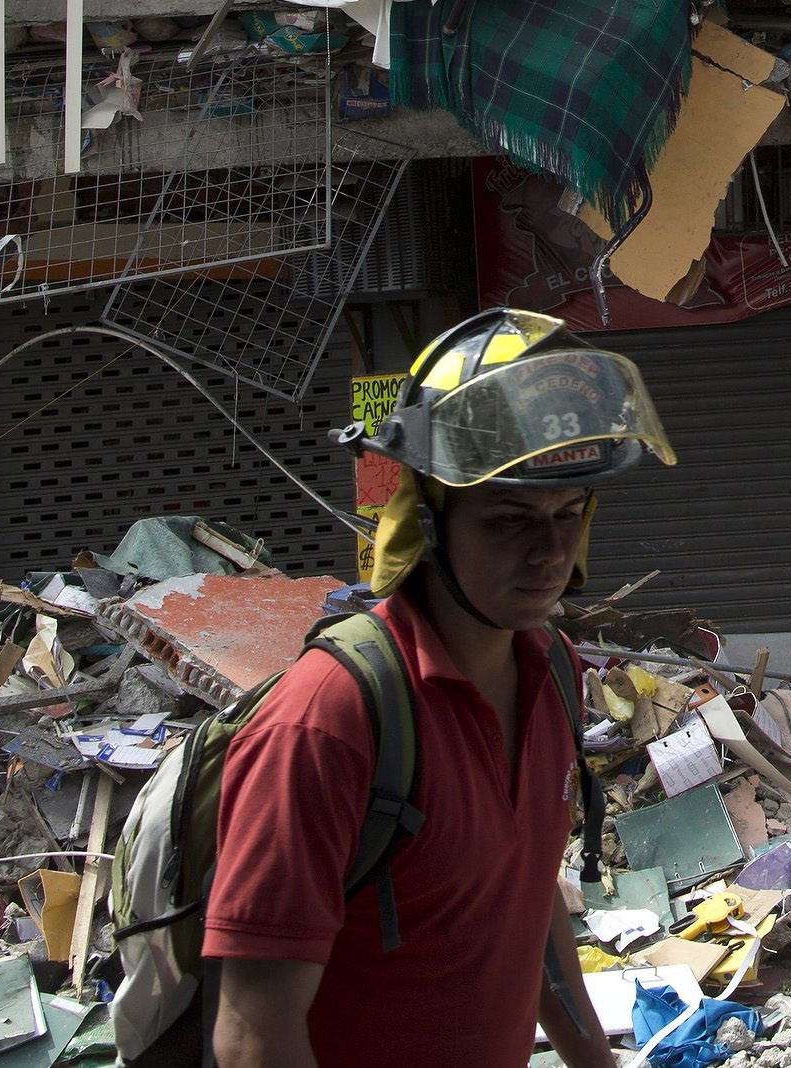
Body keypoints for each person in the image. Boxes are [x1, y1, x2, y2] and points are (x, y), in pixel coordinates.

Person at [202, 310, 675, 1068]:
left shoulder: (552, 668)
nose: (550, 551)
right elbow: (253, 1037)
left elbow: (522, 896)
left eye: (569, 513)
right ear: (428, 518)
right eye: (510, 519)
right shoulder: (328, 721)